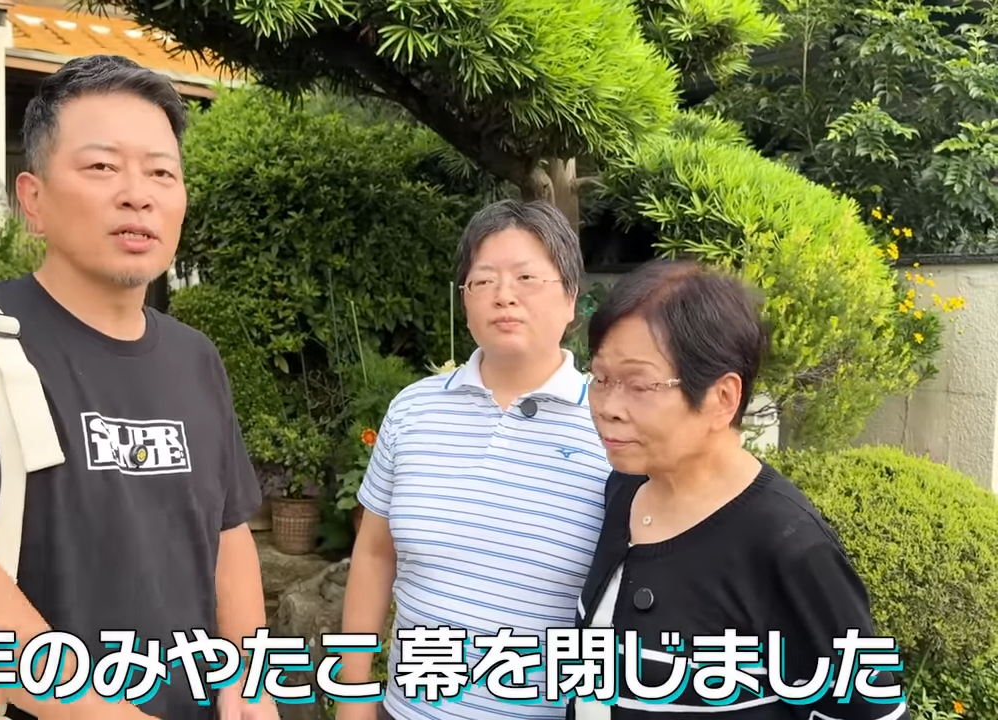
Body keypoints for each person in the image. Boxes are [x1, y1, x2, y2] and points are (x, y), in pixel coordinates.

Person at [0, 55, 275, 720]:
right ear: (34, 199)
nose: (138, 194)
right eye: (102, 166)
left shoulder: (195, 357)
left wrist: (248, 681)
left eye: (162, 173)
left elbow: (228, 534)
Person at [569, 259, 907, 719]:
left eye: (639, 384)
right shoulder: (625, 488)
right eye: (601, 379)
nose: (608, 406)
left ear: (722, 398)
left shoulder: (787, 546)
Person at [338, 199, 613, 720]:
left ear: (571, 297)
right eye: (483, 280)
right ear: (464, 298)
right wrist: (354, 698)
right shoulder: (413, 410)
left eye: (526, 277)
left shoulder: (612, 428)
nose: (503, 295)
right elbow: (374, 554)